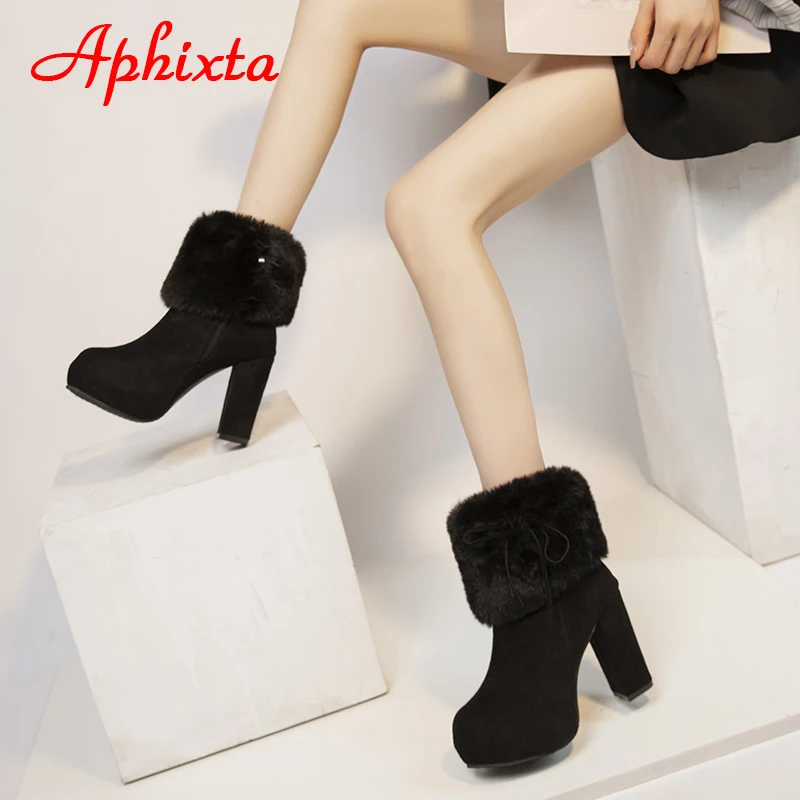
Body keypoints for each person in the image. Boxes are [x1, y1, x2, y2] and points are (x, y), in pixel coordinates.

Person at [66, 0, 800, 769]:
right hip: (599, 11)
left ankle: (549, 585)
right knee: (337, 6)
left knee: (427, 207)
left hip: (728, 28)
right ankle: (219, 315)